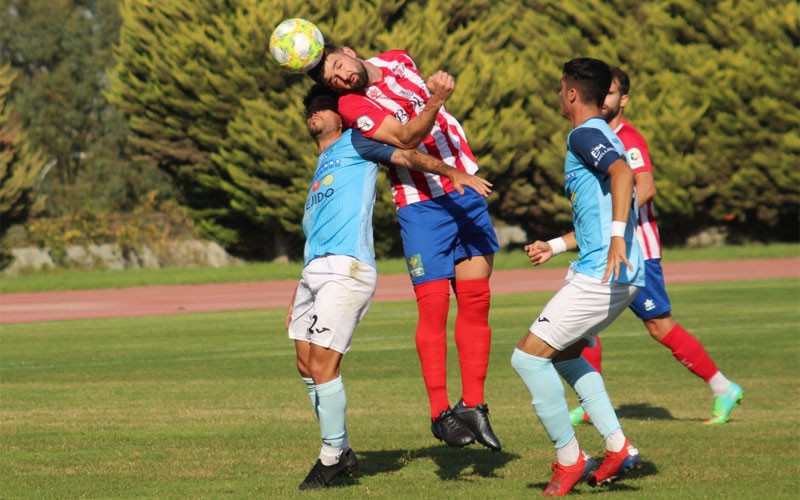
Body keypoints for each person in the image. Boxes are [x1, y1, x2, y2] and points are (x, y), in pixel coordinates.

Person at [288, 83, 491, 491]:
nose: (315, 111)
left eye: (324, 106)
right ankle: (341, 448)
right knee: (305, 364)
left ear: (341, 116)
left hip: (346, 268)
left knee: (325, 366)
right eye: (310, 107)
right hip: (314, 269)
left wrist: (452, 172)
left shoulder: (357, 142)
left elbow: (407, 153)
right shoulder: (323, 158)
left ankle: (332, 456)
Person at [568, 67, 743, 427]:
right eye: (602, 92)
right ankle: (590, 403)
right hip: (608, 249)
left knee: (660, 327)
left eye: (612, 93)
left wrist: (612, 220)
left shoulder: (627, 138)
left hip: (637, 251)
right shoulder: (596, 134)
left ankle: (722, 387)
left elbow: (644, 187)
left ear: (624, 100)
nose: (604, 99)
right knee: (584, 323)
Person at [510, 58, 644, 496]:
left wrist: (619, 237)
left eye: (559, 87)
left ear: (570, 92)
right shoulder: (603, 133)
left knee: (528, 358)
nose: (558, 95)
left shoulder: (584, 133)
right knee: (566, 355)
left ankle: (570, 459)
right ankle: (617, 445)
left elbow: (625, 176)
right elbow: (598, 213)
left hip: (603, 273)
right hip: (615, 271)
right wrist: (556, 245)